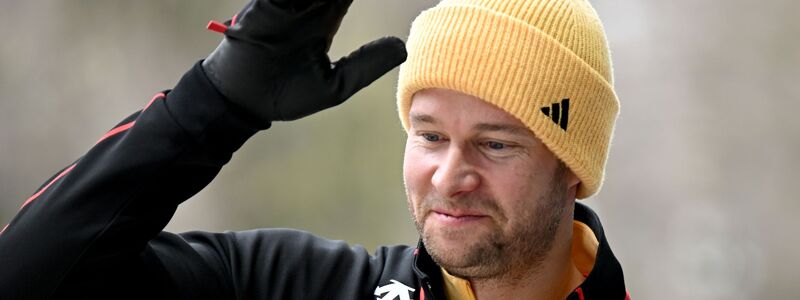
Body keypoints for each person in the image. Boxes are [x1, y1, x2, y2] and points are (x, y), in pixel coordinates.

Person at [0, 0, 628, 299]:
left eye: (495, 144)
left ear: (571, 167)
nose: (449, 175)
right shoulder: (287, 286)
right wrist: (214, 104)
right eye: (430, 136)